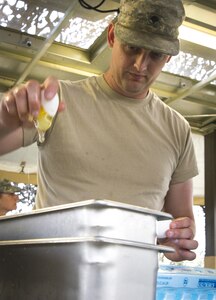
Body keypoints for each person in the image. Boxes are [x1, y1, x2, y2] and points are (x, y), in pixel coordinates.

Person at [0, 0, 199, 261]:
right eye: (133, 48)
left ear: (169, 57)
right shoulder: (57, 100)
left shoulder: (178, 130)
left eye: (155, 55)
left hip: (131, 283)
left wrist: (179, 237)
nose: (140, 65)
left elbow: (181, 218)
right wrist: (6, 117)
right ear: (112, 36)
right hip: (51, 277)